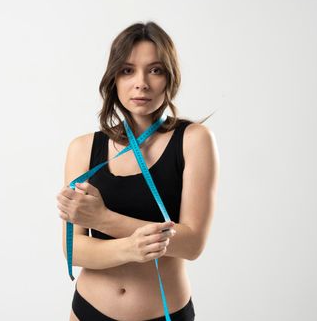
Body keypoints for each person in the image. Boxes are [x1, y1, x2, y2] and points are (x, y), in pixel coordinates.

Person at [56, 21, 219, 321]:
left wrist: (104, 220)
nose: (141, 82)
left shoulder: (194, 140)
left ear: (169, 77)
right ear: (113, 79)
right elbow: (73, 249)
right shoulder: (82, 148)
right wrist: (131, 249)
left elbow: (192, 243)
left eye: (155, 70)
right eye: (128, 70)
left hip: (164, 312)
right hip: (88, 311)